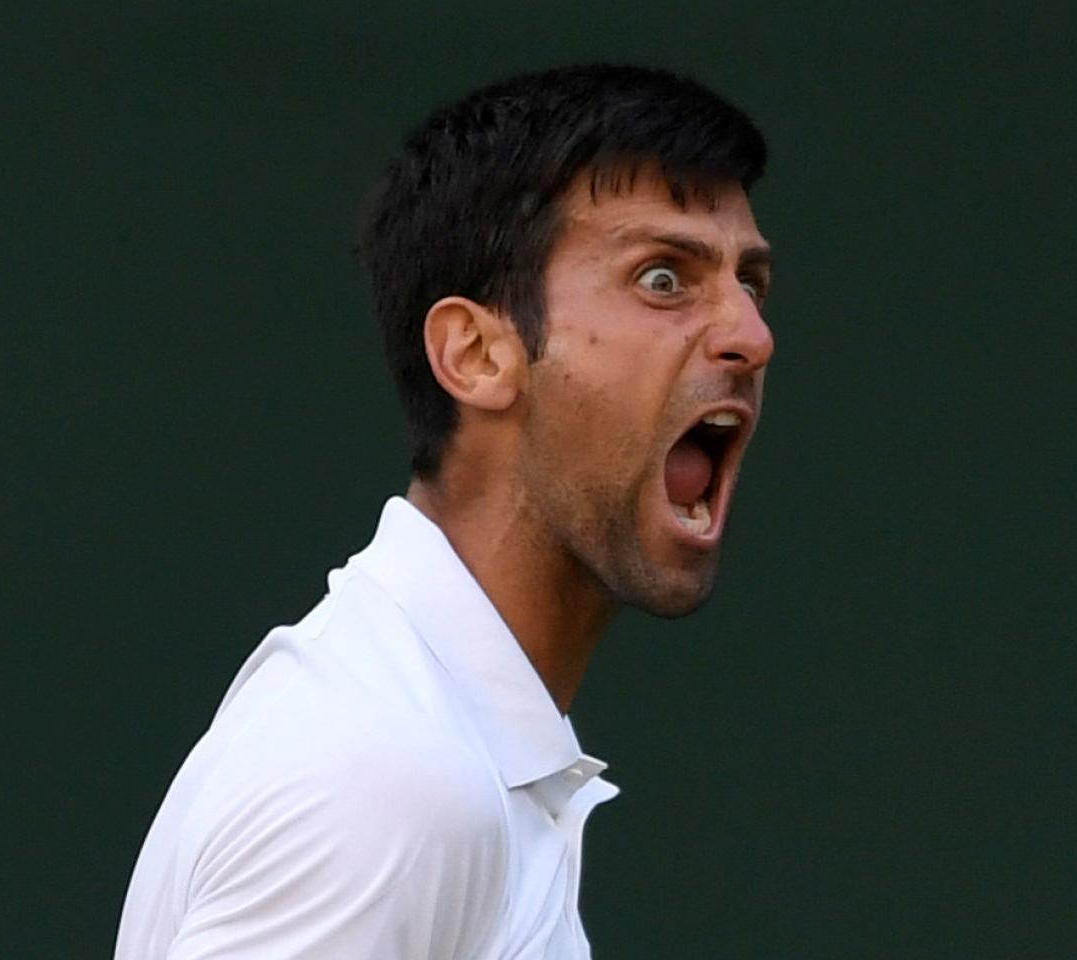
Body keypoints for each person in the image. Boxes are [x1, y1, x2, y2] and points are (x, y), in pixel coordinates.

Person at [114, 64, 774, 959]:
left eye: (751, 282)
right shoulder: (391, 779)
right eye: (663, 278)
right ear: (475, 354)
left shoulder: (452, 752)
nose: (751, 334)